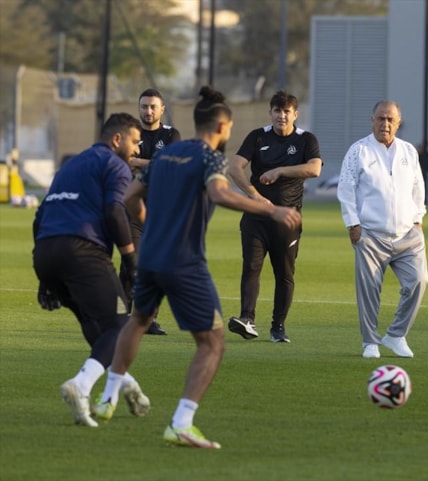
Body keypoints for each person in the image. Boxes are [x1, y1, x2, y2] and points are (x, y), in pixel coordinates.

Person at [93, 87, 301, 449]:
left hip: (150, 256)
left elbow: (129, 198)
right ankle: (181, 422)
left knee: (138, 320)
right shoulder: (210, 158)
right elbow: (219, 194)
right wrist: (271, 209)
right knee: (212, 344)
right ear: (221, 126)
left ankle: (107, 397)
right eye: (229, 127)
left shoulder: (166, 155)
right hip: (183, 261)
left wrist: (151, 225)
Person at [32, 113, 151, 428]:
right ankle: (81, 385)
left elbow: (40, 217)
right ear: (117, 139)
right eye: (135, 141)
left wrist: (44, 278)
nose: (137, 150)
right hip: (82, 251)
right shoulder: (115, 165)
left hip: (46, 252)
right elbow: (115, 211)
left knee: (95, 324)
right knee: (121, 327)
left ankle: (126, 385)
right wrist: (131, 260)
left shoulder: (69, 165)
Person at [226, 90, 322, 342]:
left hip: (287, 220)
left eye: (287, 111)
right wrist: (254, 195)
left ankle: (278, 327)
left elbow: (314, 169)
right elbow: (234, 168)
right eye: (277, 111)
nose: (282, 116)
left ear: (295, 114)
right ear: (270, 113)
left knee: (284, 274)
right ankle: (247, 319)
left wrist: (280, 170)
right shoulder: (257, 136)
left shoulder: (306, 139)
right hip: (255, 217)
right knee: (251, 267)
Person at [337, 100, 428, 359]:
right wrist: (352, 223)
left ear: (398, 123)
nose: (385, 124)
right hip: (370, 233)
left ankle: (396, 335)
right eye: (380, 118)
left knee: (419, 281)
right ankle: (370, 342)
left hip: (407, 234)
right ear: (372, 120)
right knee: (369, 291)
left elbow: (418, 187)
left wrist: (418, 220)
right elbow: (346, 188)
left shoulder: (409, 151)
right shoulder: (359, 150)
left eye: (390, 120)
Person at [123, 88, 182, 335]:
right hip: (132, 208)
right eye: (144, 106)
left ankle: (148, 319)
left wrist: (138, 162)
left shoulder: (171, 135)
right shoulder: (131, 133)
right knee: (131, 262)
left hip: (160, 211)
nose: (148, 111)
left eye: (153, 107)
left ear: (162, 109)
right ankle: (124, 316)